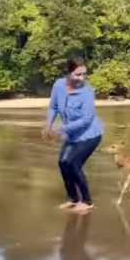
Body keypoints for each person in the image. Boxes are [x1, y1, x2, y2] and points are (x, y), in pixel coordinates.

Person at [42, 56, 104, 212]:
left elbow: (86, 119)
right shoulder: (58, 86)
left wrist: (61, 129)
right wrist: (47, 125)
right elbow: (53, 107)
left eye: (84, 74)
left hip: (90, 134)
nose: (81, 78)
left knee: (74, 163)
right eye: (77, 74)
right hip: (72, 134)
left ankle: (87, 202)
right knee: (63, 163)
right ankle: (74, 199)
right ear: (68, 73)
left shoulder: (87, 92)